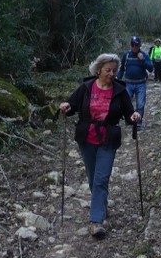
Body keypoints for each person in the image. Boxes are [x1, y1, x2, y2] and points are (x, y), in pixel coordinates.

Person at [59, 54, 141, 239]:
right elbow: (73, 105)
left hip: (108, 139)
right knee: (92, 178)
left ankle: (96, 221)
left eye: (114, 70)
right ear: (98, 70)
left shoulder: (120, 90)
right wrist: (66, 106)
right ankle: (101, 205)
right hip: (87, 138)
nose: (112, 73)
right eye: (108, 70)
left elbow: (128, 113)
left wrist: (134, 116)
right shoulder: (86, 87)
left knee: (101, 179)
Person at [117, 36, 153, 126]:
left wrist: (143, 60)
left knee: (140, 104)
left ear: (139, 45)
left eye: (136, 45)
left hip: (141, 83)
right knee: (126, 103)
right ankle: (129, 120)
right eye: (132, 44)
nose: (134, 47)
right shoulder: (127, 55)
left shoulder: (144, 55)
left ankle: (138, 122)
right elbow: (121, 68)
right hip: (128, 83)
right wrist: (118, 79)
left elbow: (151, 68)